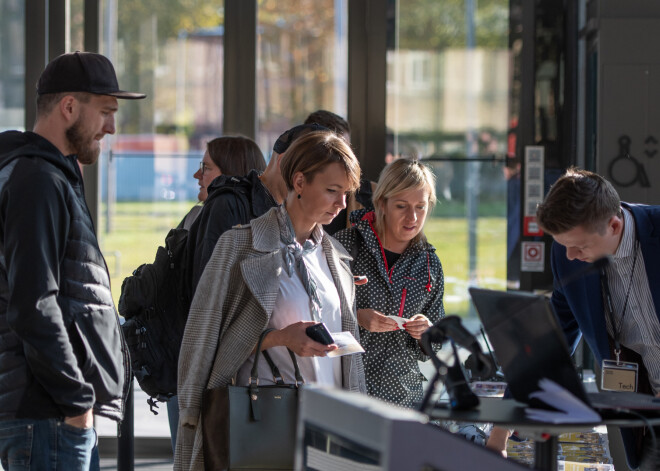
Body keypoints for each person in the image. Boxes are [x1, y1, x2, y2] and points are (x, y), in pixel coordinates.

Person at [175, 130, 366, 470]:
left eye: (346, 193)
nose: (342, 204)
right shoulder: (239, 246)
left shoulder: (336, 258)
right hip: (265, 419)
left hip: (331, 426)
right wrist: (279, 339)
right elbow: (203, 344)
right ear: (300, 181)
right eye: (332, 191)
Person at [0, 51, 144, 470]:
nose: (112, 128)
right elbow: (33, 305)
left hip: (52, 415)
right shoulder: (37, 181)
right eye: (105, 112)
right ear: (68, 107)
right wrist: (77, 400)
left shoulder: (48, 175)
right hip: (48, 416)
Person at [490, 167, 660, 469]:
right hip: (649, 419)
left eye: (579, 246)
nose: (569, 256)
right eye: (563, 244)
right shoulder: (567, 258)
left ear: (614, 225)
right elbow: (546, 344)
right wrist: (499, 434)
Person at [166, 135, 265, 450]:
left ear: (229, 173)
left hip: (200, 367)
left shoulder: (213, 216)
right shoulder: (265, 227)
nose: (197, 175)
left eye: (205, 167)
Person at [333, 158, 445, 407]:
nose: (412, 217)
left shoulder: (430, 263)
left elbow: (436, 344)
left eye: (421, 206)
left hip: (404, 401)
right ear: (382, 203)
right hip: (346, 393)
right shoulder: (344, 246)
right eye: (402, 206)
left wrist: (427, 332)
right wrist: (356, 318)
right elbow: (314, 318)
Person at [186, 122, 327, 292]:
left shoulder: (294, 213)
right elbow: (209, 293)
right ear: (283, 164)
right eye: (310, 178)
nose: (339, 202)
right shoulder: (229, 205)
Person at [303, 109, 376, 235]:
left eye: (346, 152)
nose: (343, 161)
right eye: (334, 153)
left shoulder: (373, 196)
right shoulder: (288, 201)